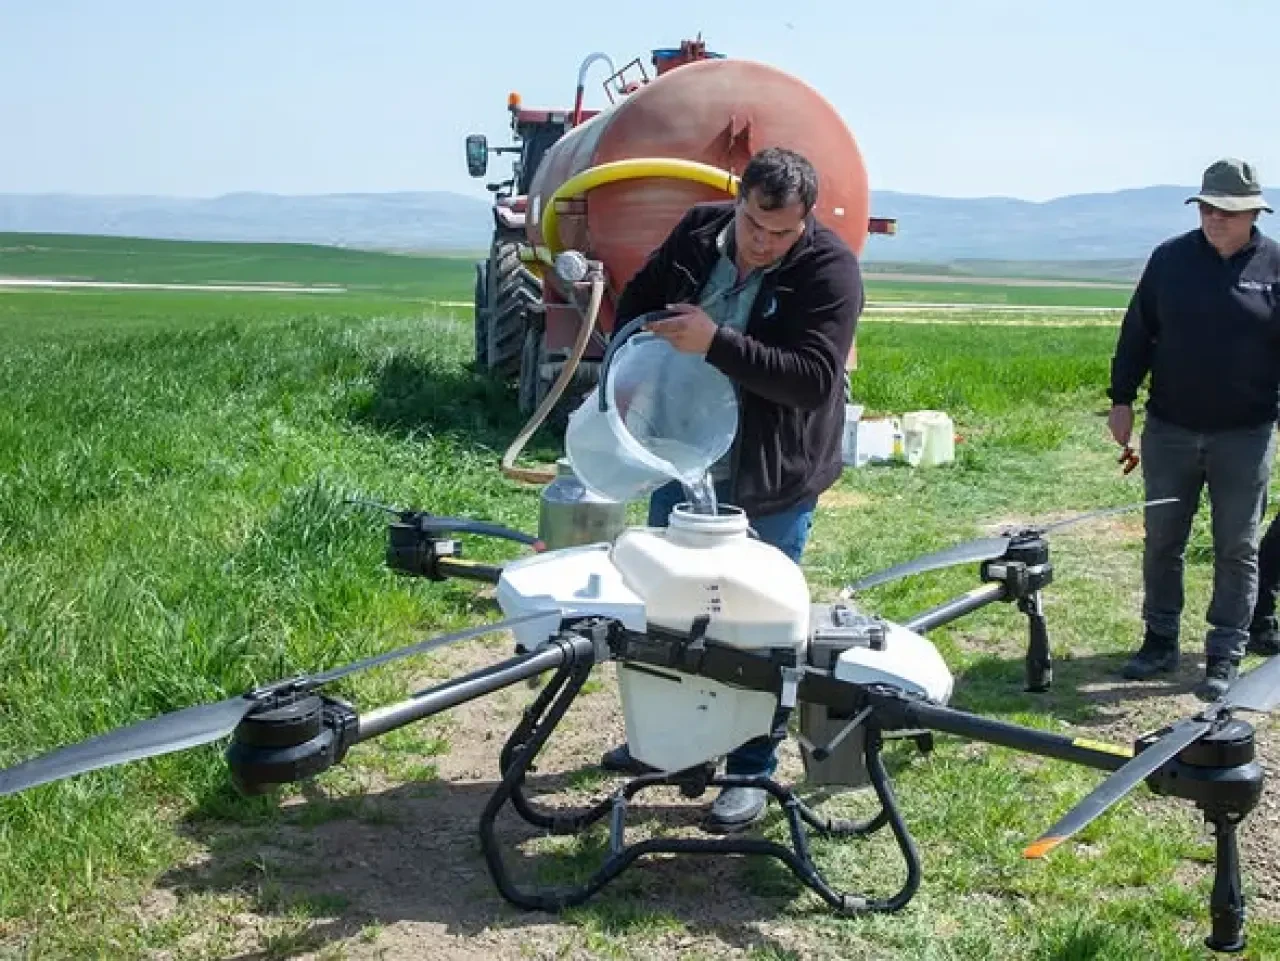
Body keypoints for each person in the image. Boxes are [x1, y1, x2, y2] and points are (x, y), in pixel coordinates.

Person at [594, 145, 865, 832]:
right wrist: (636, 372)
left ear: (806, 220)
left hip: (770, 474)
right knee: (666, 613)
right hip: (681, 459)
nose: (766, 243)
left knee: (758, 625)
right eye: (755, 226)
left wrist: (715, 343)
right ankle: (671, 746)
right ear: (739, 202)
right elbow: (638, 302)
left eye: (784, 233)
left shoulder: (830, 270)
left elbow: (811, 380)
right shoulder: (695, 231)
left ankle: (750, 769)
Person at [1107, 157, 1280, 701]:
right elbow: (1138, 332)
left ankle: (1224, 652)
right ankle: (1159, 640)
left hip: (1244, 434)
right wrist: (1121, 399)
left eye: (1226, 211)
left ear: (1253, 212)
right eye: (1206, 208)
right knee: (1163, 540)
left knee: (1238, 546)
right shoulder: (1170, 260)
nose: (1214, 219)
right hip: (1170, 428)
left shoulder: (1276, 266)